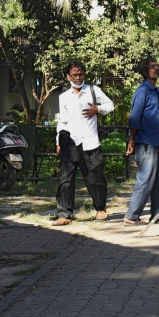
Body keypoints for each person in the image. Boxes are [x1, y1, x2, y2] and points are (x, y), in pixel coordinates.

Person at [54, 61, 113, 226]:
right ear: (68, 76)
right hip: (70, 142)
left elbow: (110, 105)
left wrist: (98, 109)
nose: (78, 78)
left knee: (95, 178)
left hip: (90, 141)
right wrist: (58, 141)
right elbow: (62, 121)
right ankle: (65, 214)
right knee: (66, 179)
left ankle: (100, 209)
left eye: (80, 74)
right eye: (74, 75)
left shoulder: (93, 91)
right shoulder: (64, 97)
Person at [125, 57, 159, 224]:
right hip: (146, 142)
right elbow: (134, 118)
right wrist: (132, 140)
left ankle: (158, 214)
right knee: (145, 179)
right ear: (144, 72)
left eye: (157, 66)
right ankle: (132, 215)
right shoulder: (142, 91)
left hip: (157, 142)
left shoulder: (154, 90)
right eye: (152, 67)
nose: (156, 68)